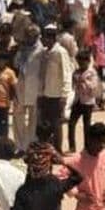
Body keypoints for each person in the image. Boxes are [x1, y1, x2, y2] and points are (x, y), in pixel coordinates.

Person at [31, 24, 74, 152]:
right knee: (45, 123)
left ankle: (58, 150)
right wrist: (39, 94)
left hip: (56, 95)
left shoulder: (60, 52)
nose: (43, 41)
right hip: (45, 94)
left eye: (44, 38)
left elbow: (67, 74)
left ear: (51, 38)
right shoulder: (44, 53)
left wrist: (64, 95)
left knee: (56, 124)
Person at [68, 50, 101, 152]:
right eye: (79, 62)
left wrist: (84, 81)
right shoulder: (77, 72)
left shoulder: (92, 73)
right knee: (71, 123)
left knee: (86, 126)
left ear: (87, 61)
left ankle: (87, 147)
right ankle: (72, 146)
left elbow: (94, 87)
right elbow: (73, 86)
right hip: (77, 100)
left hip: (87, 102)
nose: (81, 64)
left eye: (83, 62)